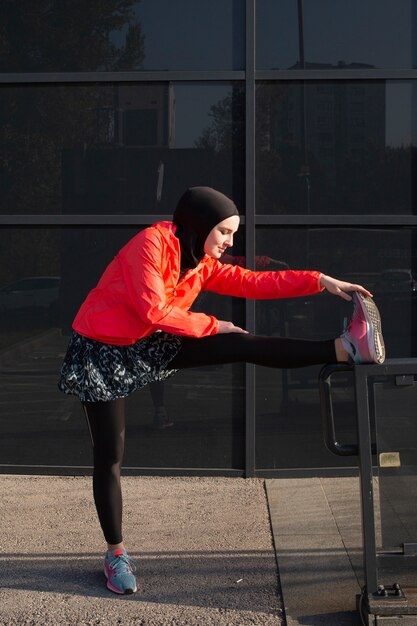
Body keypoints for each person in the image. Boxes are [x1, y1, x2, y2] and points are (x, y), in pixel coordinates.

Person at [58, 186, 385, 595]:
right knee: (110, 455)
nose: (230, 242)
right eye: (225, 232)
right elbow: (152, 309)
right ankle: (116, 554)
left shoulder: (201, 261)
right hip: (102, 347)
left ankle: (346, 349)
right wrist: (214, 324)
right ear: (199, 226)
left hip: (150, 336)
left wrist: (319, 281)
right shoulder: (150, 243)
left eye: (233, 233)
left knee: (240, 342)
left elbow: (252, 281)